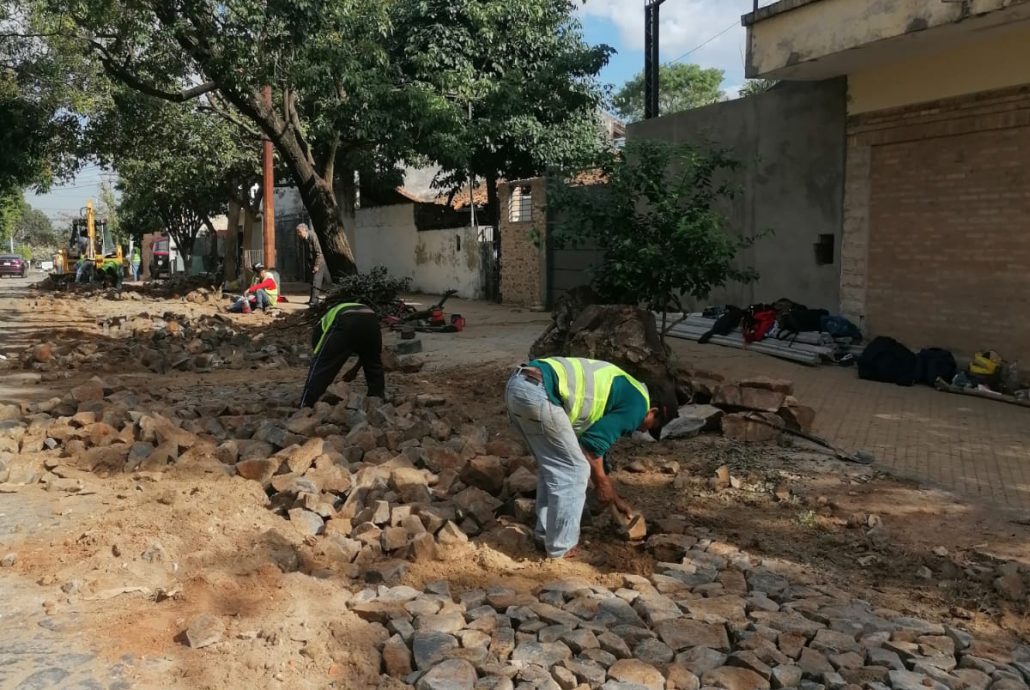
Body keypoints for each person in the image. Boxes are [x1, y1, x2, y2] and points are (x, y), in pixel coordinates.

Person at [505, 357, 678, 560]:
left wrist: (613, 497)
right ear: (652, 411)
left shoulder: (626, 388)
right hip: (539, 392)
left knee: (555, 466)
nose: (642, 430)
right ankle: (563, 548)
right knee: (574, 471)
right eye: (651, 426)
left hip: (520, 386)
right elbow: (591, 449)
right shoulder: (638, 405)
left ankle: (545, 536)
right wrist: (603, 485)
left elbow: (594, 450)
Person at [300, 298, 384, 405]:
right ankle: (377, 399)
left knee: (322, 365)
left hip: (346, 318)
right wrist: (354, 370)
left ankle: (307, 403)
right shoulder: (333, 316)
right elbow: (367, 354)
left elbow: (321, 360)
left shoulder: (319, 330)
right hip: (371, 319)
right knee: (374, 364)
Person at [296, 223, 330, 307]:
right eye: (297, 232)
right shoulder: (304, 239)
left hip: (319, 261)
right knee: (312, 281)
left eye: (299, 232)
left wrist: (316, 266)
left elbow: (319, 253)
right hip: (311, 262)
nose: (298, 234)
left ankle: (314, 302)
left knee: (316, 281)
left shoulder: (313, 236)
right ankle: (312, 300)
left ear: (305, 230)